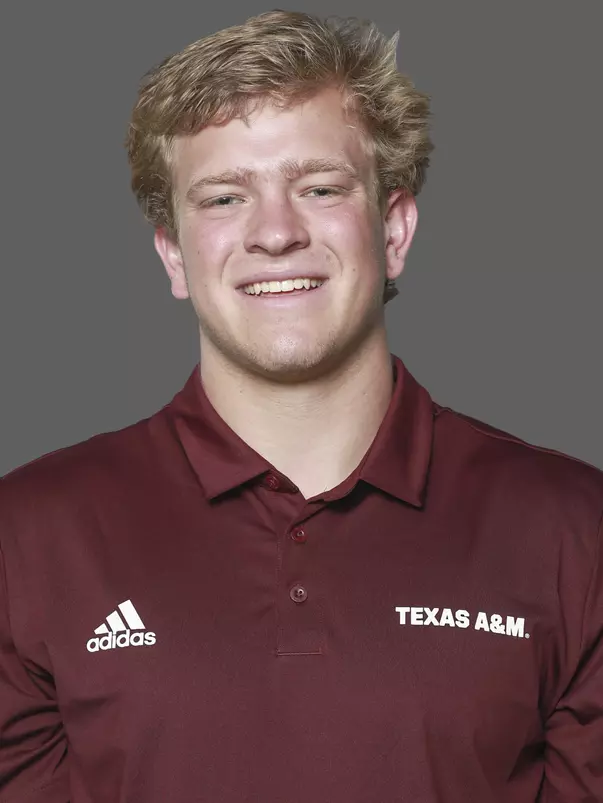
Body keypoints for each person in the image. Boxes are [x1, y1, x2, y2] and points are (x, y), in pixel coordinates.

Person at [0, 9, 601, 802]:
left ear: (393, 229)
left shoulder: (572, 527)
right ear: (173, 253)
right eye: (223, 198)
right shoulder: (30, 533)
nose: (275, 232)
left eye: (318, 188)